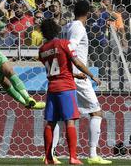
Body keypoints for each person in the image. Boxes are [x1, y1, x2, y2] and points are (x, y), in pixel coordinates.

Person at [39, 19, 102, 165]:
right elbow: (77, 62)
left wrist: (74, 75)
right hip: (66, 88)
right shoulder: (63, 43)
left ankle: (48, 157)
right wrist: (91, 75)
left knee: (50, 123)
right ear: (56, 30)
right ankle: (73, 157)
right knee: (70, 122)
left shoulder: (42, 50)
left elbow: (56, 70)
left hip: (52, 88)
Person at [62, 0, 112, 164]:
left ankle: (51, 153)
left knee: (62, 116)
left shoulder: (69, 26)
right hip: (79, 75)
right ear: (88, 13)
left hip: (71, 74)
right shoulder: (78, 27)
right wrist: (83, 73)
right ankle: (92, 155)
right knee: (96, 112)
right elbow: (71, 47)